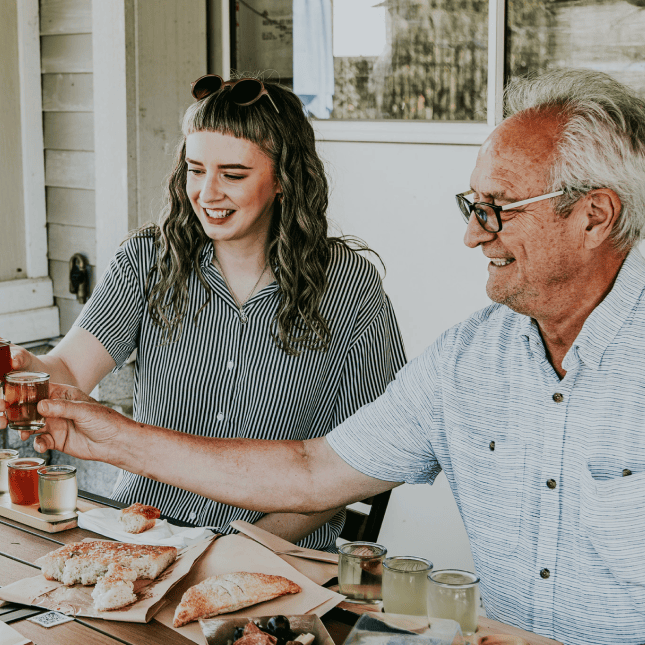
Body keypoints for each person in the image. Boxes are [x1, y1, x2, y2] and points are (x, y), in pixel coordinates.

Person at [8, 68, 645, 644]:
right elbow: (318, 468)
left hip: (275, 563)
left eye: (496, 210)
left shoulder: (350, 288)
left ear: (594, 216)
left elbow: (323, 492)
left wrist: (232, 553)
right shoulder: (468, 362)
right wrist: (96, 429)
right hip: (152, 541)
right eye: (471, 207)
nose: (472, 233)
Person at [1, 75, 406, 551]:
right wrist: (29, 372)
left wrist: (242, 549)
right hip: (144, 533)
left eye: (233, 175)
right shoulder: (147, 260)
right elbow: (69, 368)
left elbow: (367, 460)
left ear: (284, 179)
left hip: (272, 552)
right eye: (195, 170)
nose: (207, 194)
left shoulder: (348, 286)